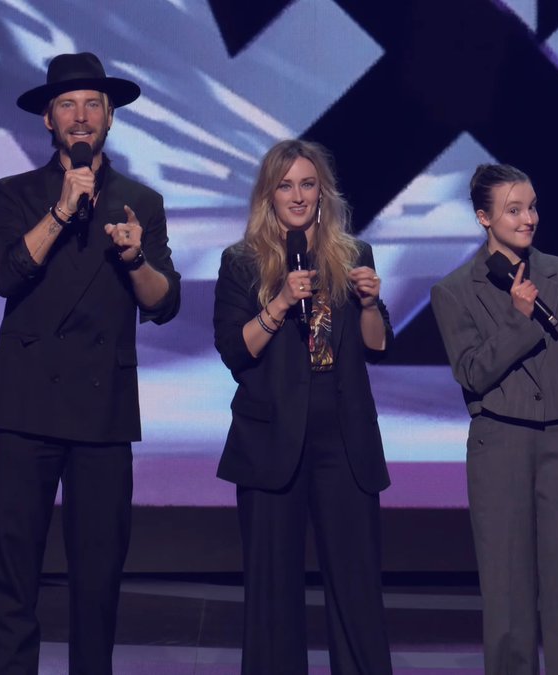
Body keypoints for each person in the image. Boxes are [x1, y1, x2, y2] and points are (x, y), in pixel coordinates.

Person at [0, 52, 181, 674]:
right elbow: (3, 275)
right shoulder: (14, 194)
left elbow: (166, 302)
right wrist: (63, 211)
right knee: (15, 571)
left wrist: (133, 260)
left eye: (93, 104)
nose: (81, 116)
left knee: (97, 580)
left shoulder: (139, 202)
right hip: (26, 405)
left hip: (103, 410)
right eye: (67, 104)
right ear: (48, 120)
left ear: (111, 119)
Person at [213, 139, 393, 674]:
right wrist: (282, 302)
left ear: (323, 192)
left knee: (357, 591)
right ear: (269, 194)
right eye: (286, 185)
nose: (298, 195)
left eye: (307, 184)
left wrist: (368, 303)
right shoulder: (243, 261)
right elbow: (234, 350)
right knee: (272, 596)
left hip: (344, 439)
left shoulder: (353, 255)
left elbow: (377, 345)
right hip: (271, 441)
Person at [430, 163, 558, 674]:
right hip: (501, 447)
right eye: (513, 209)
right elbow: (471, 372)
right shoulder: (453, 291)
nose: (528, 218)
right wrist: (517, 319)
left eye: (532, 206)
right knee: (507, 595)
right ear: (483, 218)